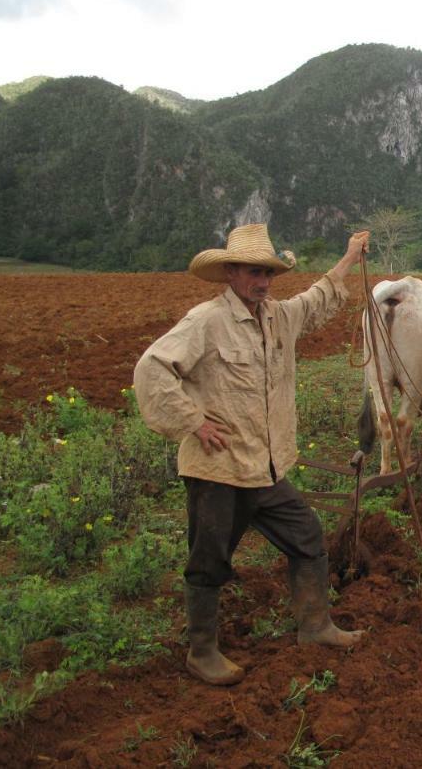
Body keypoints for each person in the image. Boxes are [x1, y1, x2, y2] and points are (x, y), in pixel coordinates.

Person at [133, 223, 370, 686]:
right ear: (231, 274)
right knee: (208, 560)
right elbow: (153, 368)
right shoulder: (206, 321)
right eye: (252, 272)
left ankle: (315, 626)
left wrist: (349, 257)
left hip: (266, 467)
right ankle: (201, 652)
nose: (262, 281)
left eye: (267, 273)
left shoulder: (277, 316)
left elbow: (318, 298)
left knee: (307, 537)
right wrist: (193, 421)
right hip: (219, 470)